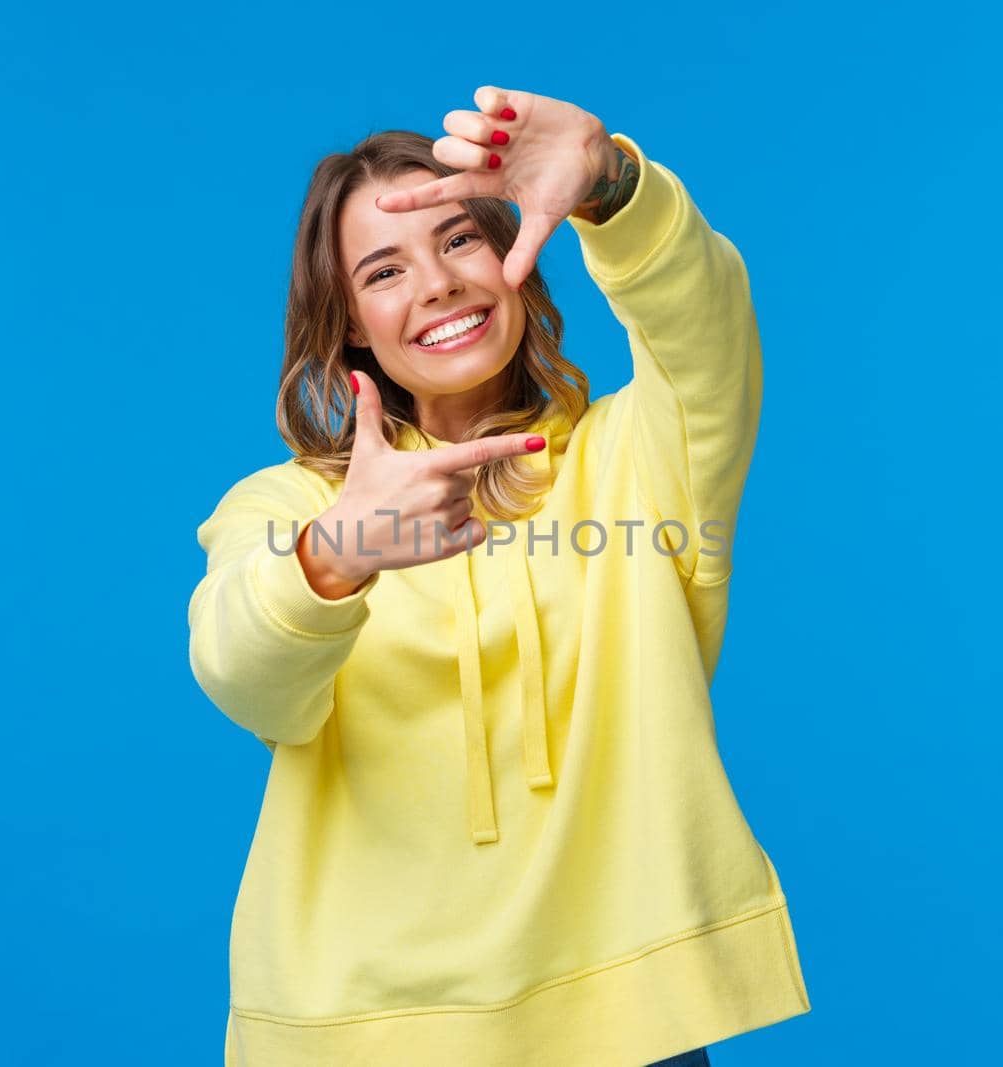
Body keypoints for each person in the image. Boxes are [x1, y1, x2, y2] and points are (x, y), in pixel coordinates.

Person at [187, 85, 811, 1066]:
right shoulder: (287, 508)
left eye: (459, 242)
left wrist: (613, 184)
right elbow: (242, 673)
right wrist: (338, 553)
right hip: (365, 1033)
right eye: (384, 268)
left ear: (512, 259)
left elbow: (706, 324)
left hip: (628, 1019)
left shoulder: (638, 460)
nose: (434, 284)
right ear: (349, 322)